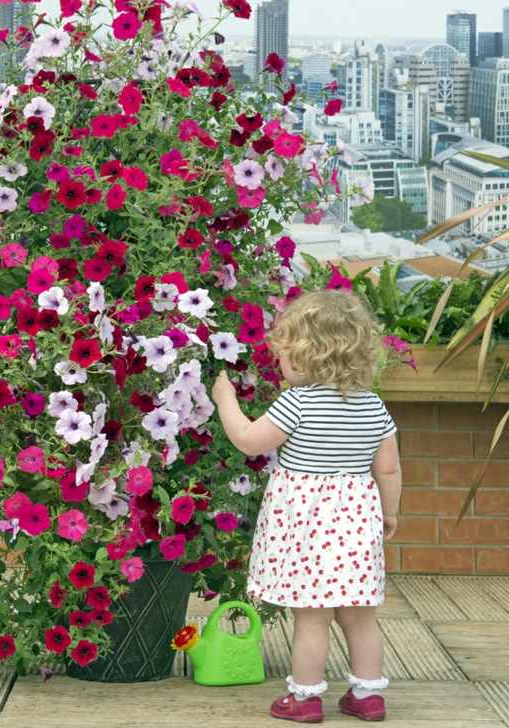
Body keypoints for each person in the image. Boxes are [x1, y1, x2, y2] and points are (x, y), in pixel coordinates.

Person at [212, 289, 402, 724]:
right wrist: (390, 512)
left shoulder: (297, 403)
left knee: (312, 617)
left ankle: (304, 698)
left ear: (306, 356)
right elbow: (388, 469)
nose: (280, 362)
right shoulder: (373, 406)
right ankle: (369, 695)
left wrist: (226, 399)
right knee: (359, 616)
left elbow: (248, 440)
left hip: (307, 527)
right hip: (356, 520)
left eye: (285, 353)